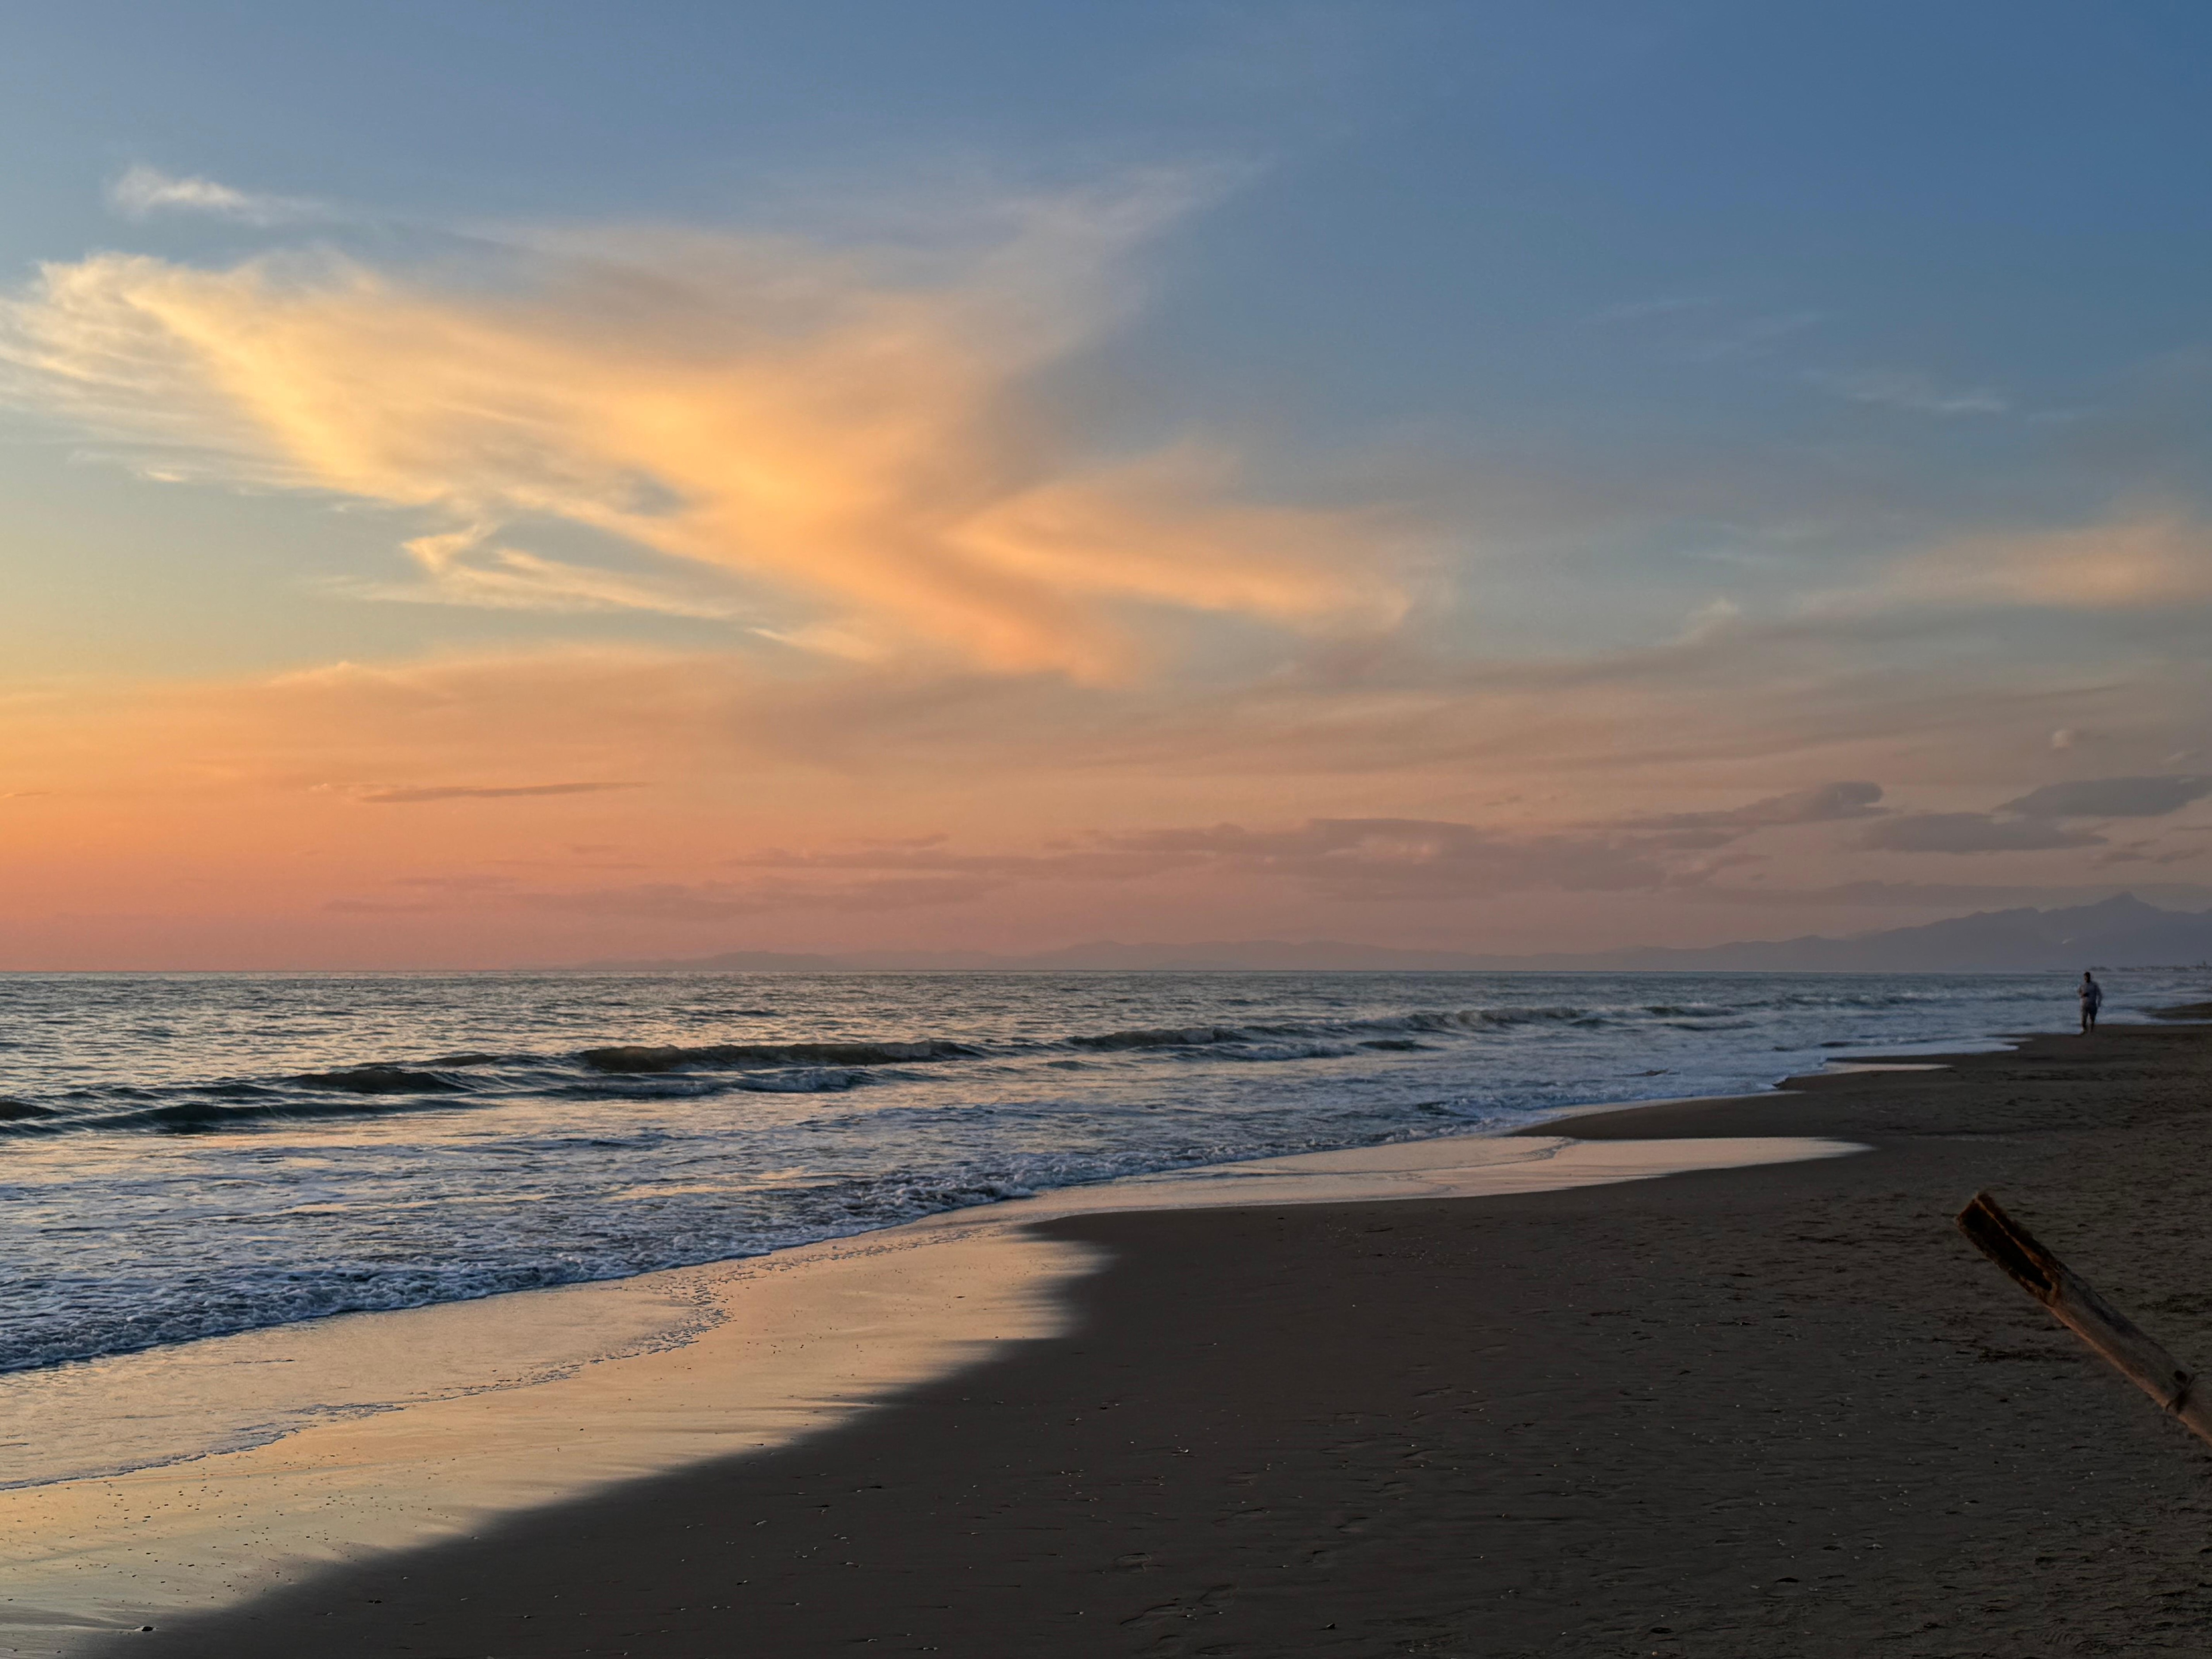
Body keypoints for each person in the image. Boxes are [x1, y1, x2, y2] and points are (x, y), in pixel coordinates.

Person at [2078, 970, 2103, 1034]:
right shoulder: (2083, 985)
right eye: (2086, 977)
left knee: (2092, 1019)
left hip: (2093, 1004)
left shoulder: (2094, 985)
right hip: (2084, 1005)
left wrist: (2099, 1003)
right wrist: (2082, 995)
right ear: (2084, 978)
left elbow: (2100, 994)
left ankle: (2091, 1031)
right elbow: (2079, 992)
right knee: (2083, 1020)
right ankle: (2085, 1030)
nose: (2087, 978)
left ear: (2090, 977)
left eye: (2088, 977)